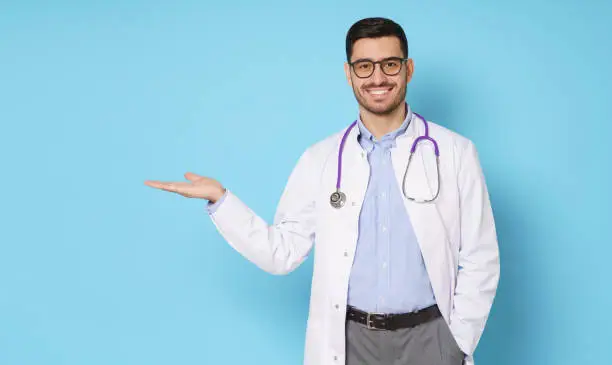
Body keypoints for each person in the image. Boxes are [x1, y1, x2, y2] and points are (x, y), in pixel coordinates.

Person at [145, 17, 500, 365]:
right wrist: (221, 201)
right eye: (364, 66)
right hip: (349, 342)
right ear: (348, 74)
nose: (378, 77)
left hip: (431, 339)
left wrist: (457, 342)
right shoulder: (320, 159)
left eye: (389, 64)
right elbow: (281, 252)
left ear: (408, 70)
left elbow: (480, 257)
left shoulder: (455, 152)